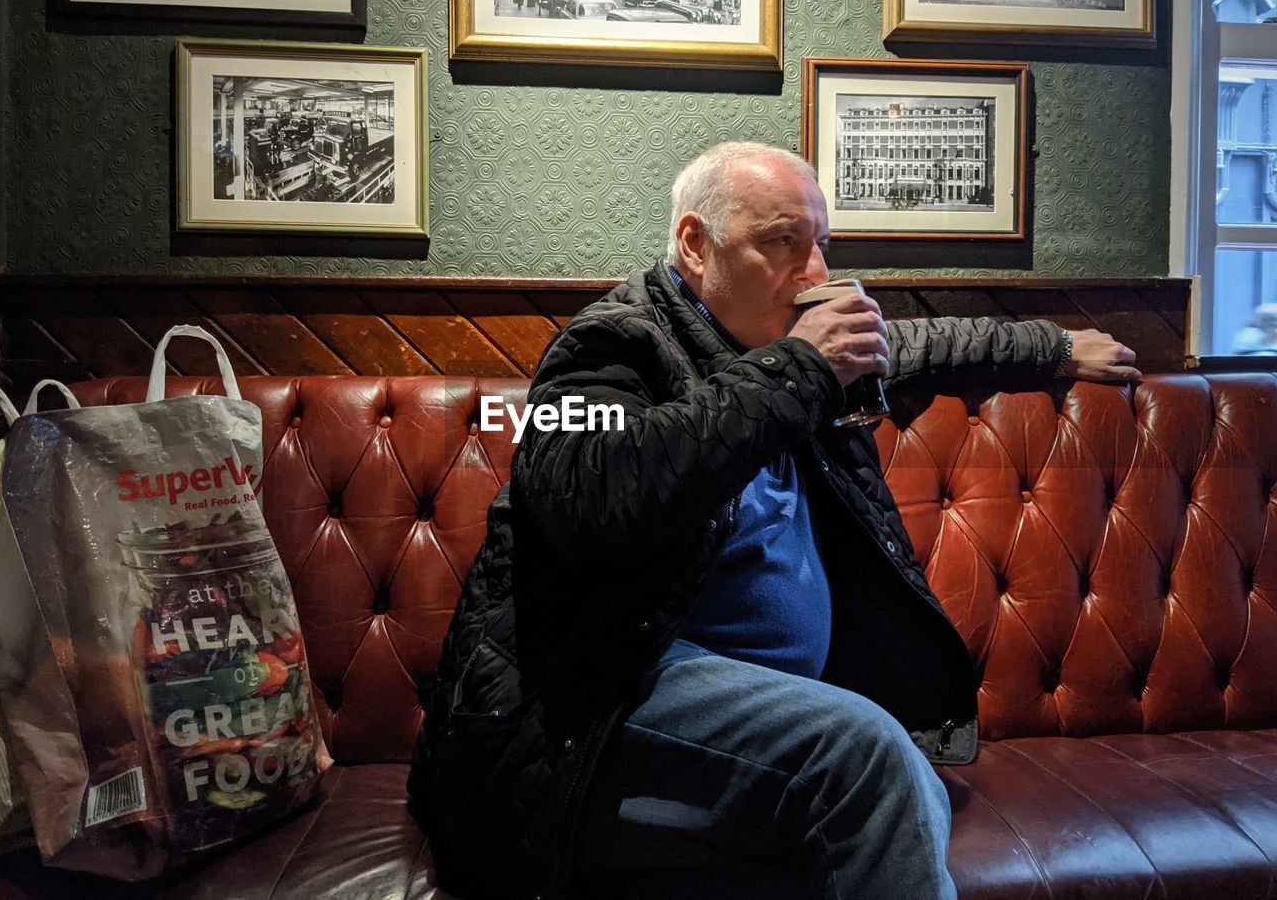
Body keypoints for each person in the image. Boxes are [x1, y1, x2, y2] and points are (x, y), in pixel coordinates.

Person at [407, 142, 1141, 900]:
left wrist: (1053, 345)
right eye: (781, 242)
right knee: (869, 758)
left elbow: (921, 343)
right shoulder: (608, 348)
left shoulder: (774, 341)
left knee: (883, 779)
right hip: (593, 710)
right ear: (695, 244)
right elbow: (596, 498)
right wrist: (799, 370)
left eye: (820, 243)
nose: (816, 273)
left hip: (745, 719)